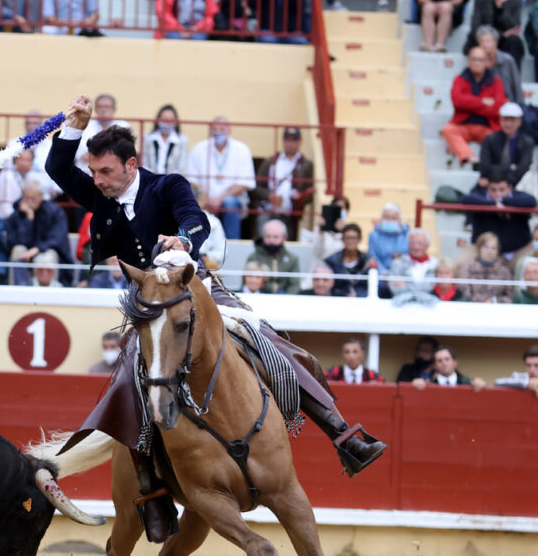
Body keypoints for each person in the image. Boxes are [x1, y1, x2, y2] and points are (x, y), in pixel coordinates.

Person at [47, 93, 386, 491]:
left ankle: (343, 435)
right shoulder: (99, 194)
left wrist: (183, 240)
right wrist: (78, 124)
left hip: (197, 289)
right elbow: (56, 166)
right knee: (129, 384)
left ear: (131, 165)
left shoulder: (166, 185)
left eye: (105, 170)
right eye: (94, 171)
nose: (98, 179)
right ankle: (148, 488)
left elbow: (196, 220)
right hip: (149, 306)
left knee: (265, 339)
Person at [185, 116, 255, 240]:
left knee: (230, 203)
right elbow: (192, 180)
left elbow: (244, 183)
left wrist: (220, 199)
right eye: (215, 129)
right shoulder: (200, 148)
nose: (218, 132)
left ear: (229, 131)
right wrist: (206, 199)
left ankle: (231, 245)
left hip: (231, 201)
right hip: (203, 200)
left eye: (222, 129)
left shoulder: (241, 149)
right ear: (210, 130)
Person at [442, 47, 506, 168]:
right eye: (474, 59)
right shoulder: (460, 79)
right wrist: (482, 102)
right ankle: (469, 157)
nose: (477, 63)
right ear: (469, 61)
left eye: (480, 60)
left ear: (487, 62)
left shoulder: (496, 82)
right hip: (463, 126)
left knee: (499, 138)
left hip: (487, 128)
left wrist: (469, 104)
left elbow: (497, 108)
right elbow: (457, 101)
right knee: (448, 130)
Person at [4, 179, 74, 286]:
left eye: (33, 198)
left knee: (46, 257)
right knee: (18, 251)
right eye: (26, 197)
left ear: (41, 196)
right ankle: (20, 292)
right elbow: (13, 242)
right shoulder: (16, 215)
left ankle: (50, 295)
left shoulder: (55, 212)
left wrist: (37, 249)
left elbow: (57, 239)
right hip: (26, 255)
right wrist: (29, 219)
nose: (29, 201)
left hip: (48, 253)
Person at [253, 126, 314, 240]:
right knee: (263, 238)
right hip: (269, 209)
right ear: (283, 141)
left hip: (290, 213)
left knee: (286, 240)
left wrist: (300, 197)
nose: (290, 143)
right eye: (287, 139)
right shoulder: (270, 162)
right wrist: (268, 196)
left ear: (300, 141)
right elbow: (256, 187)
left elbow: (310, 192)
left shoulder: (306, 165)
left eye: (294, 140)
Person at [461, 168, 537, 255]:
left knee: (532, 267)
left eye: (501, 190)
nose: (498, 194)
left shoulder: (518, 196)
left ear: (509, 187)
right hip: (482, 252)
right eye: (493, 190)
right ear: (487, 187)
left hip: (517, 251)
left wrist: (504, 202)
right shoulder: (479, 196)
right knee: (460, 265)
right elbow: (465, 199)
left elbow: (531, 201)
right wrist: (493, 204)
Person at [466, 0, 525, 65]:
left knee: (514, 42)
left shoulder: (516, 1)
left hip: (505, 42)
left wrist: (502, 7)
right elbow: (475, 26)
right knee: (479, 40)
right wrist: (500, 35)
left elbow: (515, 27)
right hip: (485, 38)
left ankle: (512, 76)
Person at [476, 102, 532, 191]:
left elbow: (523, 168)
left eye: (512, 120)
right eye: (506, 119)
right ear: (500, 120)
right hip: (490, 185)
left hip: (516, 186)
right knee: (470, 199)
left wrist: (506, 183)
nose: (508, 124)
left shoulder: (527, 142)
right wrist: (511, 168)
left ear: (519, 122)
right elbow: (485, 167)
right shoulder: (490, 139)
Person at [0, 149, 53, 220]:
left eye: (28, 160)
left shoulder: (30, 174)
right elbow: (6, 207)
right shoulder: (7, 176)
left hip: (16, 215)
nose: (24, 163)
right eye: (21, 159)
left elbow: (43, 197)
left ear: (32, 162)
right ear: (15, 160)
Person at [75, 94, 132, 175]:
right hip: (87, 174)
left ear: (114, 109)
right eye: (100, 106)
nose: (103, 110)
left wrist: (95, 154)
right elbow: (82, 156)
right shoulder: (85, 126)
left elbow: (125, 155)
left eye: (107, 107)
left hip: (115, 176)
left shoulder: (123, 126)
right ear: (95, 109)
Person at [458, 231, 514, 303]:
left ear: (498, 251)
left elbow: (510, 295)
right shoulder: (468, 268)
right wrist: (480, 301)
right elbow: (463, 292)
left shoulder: (505, 272)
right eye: (486, 247)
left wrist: (495, 300)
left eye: (494, 248)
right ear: (479, 248)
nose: (489, 251)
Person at [247, 218, 299, 294]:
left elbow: (294, 285)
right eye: (268, 236)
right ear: (263, 237)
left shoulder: (292, 259)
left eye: (275, 237)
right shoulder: (253, 258)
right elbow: (247, 284)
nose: (271, 241)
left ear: (284, 238)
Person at [473, 26, 522, 105]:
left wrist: (520, 107)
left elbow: (516, 86)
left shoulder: (507, 60)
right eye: (481, 42)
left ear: (495, 42)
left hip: (506, 104)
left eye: (487, 41)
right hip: (483, 105)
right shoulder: (476, 61)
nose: (484, 45)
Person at [387, 229, 438, 302]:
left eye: (420, 243)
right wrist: (423, 287)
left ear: (427, 245)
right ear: (408, 244)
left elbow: (434, 288)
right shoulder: (398, 263)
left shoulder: (434, 264)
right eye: (413, 243)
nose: (416, 247)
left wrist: (406, 284)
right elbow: (394, 288)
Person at [324, 223, 372, 297]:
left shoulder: (368, 261)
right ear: (342, 239)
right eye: (348, 238)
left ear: (360, 239)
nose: (350, 241)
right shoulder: (332, 261)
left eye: (353, 238)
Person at [411, 345, 487, 390]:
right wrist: (415, 385)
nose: (444, 363)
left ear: (455, 362)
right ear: (434, 366)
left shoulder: (468, 383)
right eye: (439, 361)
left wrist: (480, 385)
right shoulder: (428, 384)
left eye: (447, 359)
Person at [142, 103, 188, 177]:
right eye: (165, 120)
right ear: (158, 120)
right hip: (151, 181)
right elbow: (144, 163)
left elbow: (182, 167)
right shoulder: (148, 138)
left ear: (175, 122)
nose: (167, 123)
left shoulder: (182, 140)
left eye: (170, 120)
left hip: (172, 182)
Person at [366, 202, 409, 269]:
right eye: (386, 217)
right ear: (381, 218)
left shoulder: (407, 235)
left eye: (393, 218)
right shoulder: (374, 236)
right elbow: (373, 257)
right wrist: (384, 274)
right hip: (380, 276)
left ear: (400, 219)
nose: (389, 221)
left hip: (402, 275)